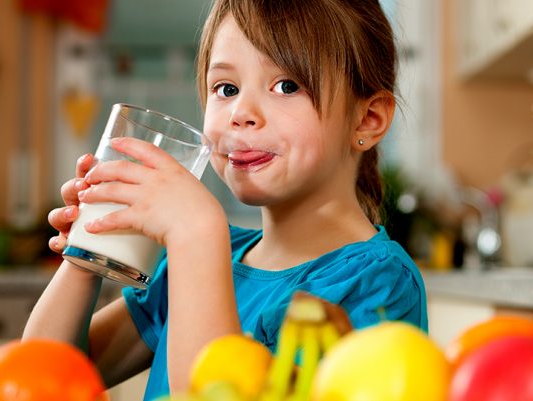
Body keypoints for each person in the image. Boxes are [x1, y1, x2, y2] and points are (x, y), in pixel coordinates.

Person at [23, 0, 428, 399]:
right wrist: (88, 251)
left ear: (367, 119)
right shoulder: (208, 258)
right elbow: (41, 375)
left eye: (286, 86)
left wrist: (197, 233)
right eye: (226, 88)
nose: (241, 112)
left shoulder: (378, 283)